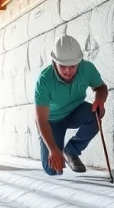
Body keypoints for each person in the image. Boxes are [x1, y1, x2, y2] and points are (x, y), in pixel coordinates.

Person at [33, 35, 108, 175]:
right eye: (63, 66)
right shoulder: (44, 80)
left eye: (72, 66)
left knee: (93, 115)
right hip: (51, 121)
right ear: (54, 61)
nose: (68, 71)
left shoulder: (87, 69)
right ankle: (57, 150)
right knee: (53, 170)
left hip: (75, 111)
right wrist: (52, 149)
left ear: (79, 62)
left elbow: (101, 88)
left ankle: (71, 150)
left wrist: (99, 99)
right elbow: (41, 119)